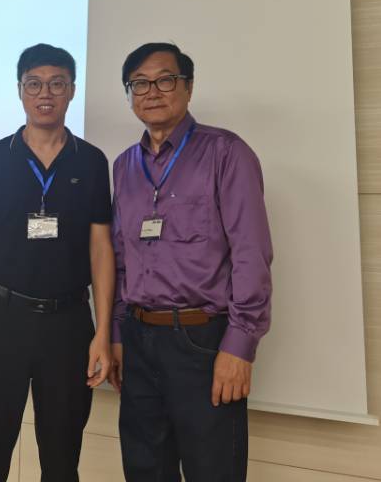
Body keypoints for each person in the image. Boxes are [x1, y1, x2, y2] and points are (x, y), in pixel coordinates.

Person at [109, 42, 273, 482]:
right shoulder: (124, 167)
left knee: (212, 470)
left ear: (188, 86)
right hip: (139, 339)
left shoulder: (226, 153)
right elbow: (121, 261)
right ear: (129, 94)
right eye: (139, 83)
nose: (152, 92)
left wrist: (239, 346)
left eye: (165, 80)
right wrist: (118, 334)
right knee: (145, 470)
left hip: (202, 341)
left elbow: (251, 253)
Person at [0, 43, 115, 482]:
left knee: (62, 460)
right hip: (1, 320)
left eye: (56, 84)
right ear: (20, 91)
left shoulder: (92, 161)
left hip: (68, 325)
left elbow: (101, 249)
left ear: (72, 90)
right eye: (34, 84)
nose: (45, 93)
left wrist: (103, 333)